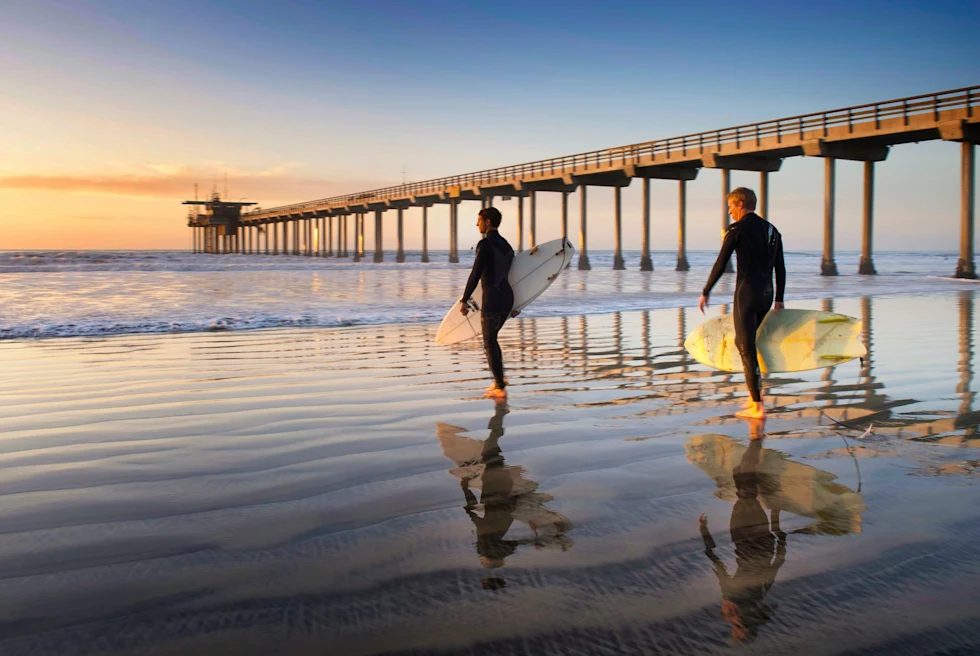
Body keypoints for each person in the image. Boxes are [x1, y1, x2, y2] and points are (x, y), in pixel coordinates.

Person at [698, 188, 785, 420]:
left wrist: (706, 291)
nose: (729, 212)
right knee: (743, 343)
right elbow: (780, 267)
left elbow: (720, 263)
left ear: (739, 204)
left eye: (730, 206)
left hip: (747, 295)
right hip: (767, 295)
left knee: (746, 348)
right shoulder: (772, 231)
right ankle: (753, 395)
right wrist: (779, 298)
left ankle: (757, 406)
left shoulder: (736, 230)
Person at [698, 430, 787, 644]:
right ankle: (756, 443)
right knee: (745, 491)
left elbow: (778, 560)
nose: (727, 616)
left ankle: (756, 448)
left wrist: (776, 520)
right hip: (745, 537)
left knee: (747, 493)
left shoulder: (758, 593)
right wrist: (703, 531)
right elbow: (714, 558)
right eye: (736, 627)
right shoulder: (737, 596)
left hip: (761, 540)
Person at [460, 207, 516, 399]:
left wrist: (464, 299)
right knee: (493, 339)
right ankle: (499, 380)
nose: (477, 224)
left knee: (489, 343)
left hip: (492, 300)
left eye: (479, 220)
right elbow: (515, 276)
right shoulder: (507, 246)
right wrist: (518, 304)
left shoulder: (485, 245)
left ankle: (500, 387)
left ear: (488, 222)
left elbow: (475, 274)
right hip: (507, 298)